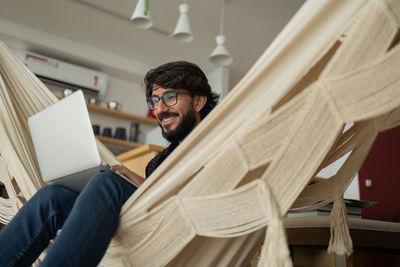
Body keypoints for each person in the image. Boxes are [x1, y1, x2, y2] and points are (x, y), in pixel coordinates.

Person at [0, 61, 219, 266]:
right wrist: (133, 180)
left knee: (106, 183)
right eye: (154, 100)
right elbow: (152, 200)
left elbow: (194, 203)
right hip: (142, 224)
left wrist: (119, 184)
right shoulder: (158, 162)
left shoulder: (217, 145)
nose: (159, 109)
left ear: (198, 101)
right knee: (52, 196)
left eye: (170, 97)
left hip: (180, 232)